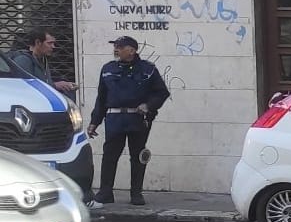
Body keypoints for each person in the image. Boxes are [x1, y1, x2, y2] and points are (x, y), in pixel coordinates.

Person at [87, 36, 170, 206]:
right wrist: (95, 121)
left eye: (120, 47)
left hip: (137, 118)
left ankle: (136, 193)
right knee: (110, 155)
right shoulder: (108, 69)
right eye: (115, 46)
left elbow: (162, 92)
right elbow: (101, 98)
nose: (116, 49)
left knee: (138, 156)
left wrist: (148, 105)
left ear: (131, 50)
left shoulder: (148, 69)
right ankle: (106, 192)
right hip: (115, 118)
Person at [8, 31, 77, 94]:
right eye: (49, 43)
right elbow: (25, 87)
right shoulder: (23, 60)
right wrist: (55, 85)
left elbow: (44, 83)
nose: (53, 46)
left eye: (53, 43)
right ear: (38, 42)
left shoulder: (42, 59)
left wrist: (63, 86)